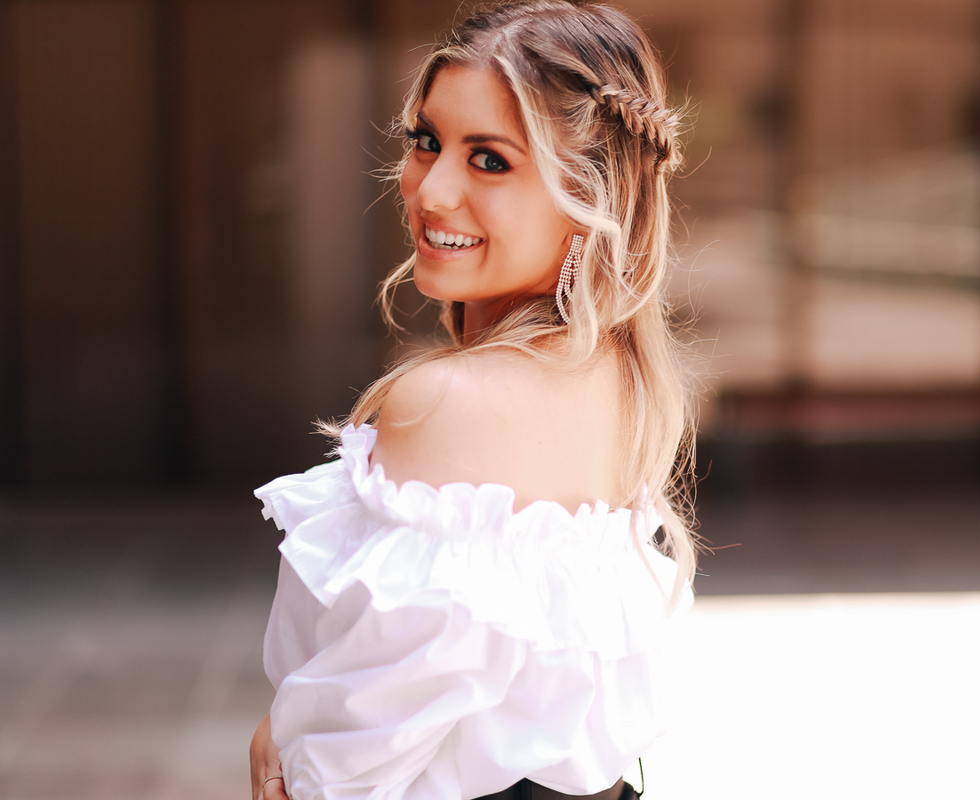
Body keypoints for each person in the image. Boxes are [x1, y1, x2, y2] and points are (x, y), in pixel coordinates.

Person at [249, 1, 696, 797]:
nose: (432, 190)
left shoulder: (447, 402)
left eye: (489, 160)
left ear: (589, 196)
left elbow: (349, 761)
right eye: (426, 141)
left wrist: (286, 744)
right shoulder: (620, 380)